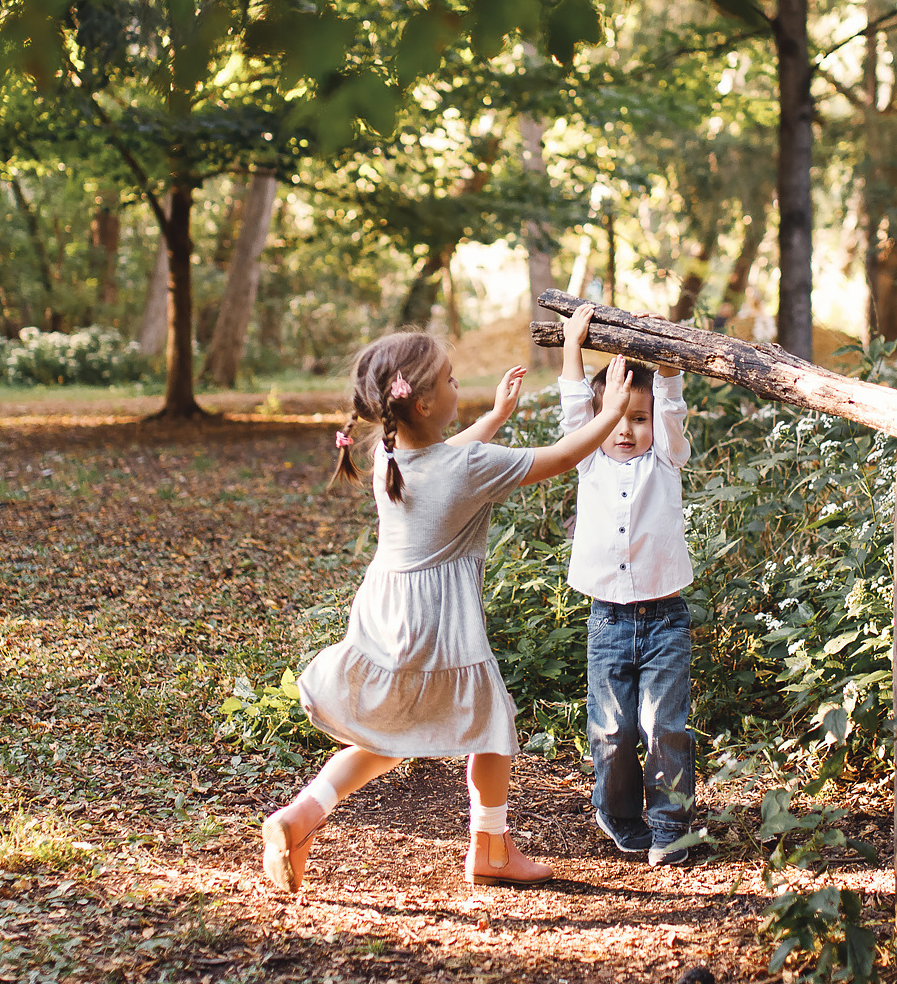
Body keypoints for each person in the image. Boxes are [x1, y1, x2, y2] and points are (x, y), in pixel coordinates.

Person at [261, 331, 638, 892]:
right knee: (491, 724)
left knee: (385, 738)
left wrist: (494, 416)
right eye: (449, 380)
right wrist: (609, 413)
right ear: (423, 403)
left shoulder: (389, 450)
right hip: (437, 621)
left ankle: (300, 816)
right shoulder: (469, 468)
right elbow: (559, 458)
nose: (458, 384)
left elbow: (448, 455)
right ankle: (490, 847)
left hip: (386, 612)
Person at [557, 302, 702, 866]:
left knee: (664, 727)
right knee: (613, 731)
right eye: (615, 418)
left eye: (636, 419)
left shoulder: (665, 458)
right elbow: (575, 412)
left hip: (665, 616)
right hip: (609, 618)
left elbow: (670, 406)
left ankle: (669, 825)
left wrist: (665, 355)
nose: (626, 429)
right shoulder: (587, 459)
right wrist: (573, 347)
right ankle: (618, 814)